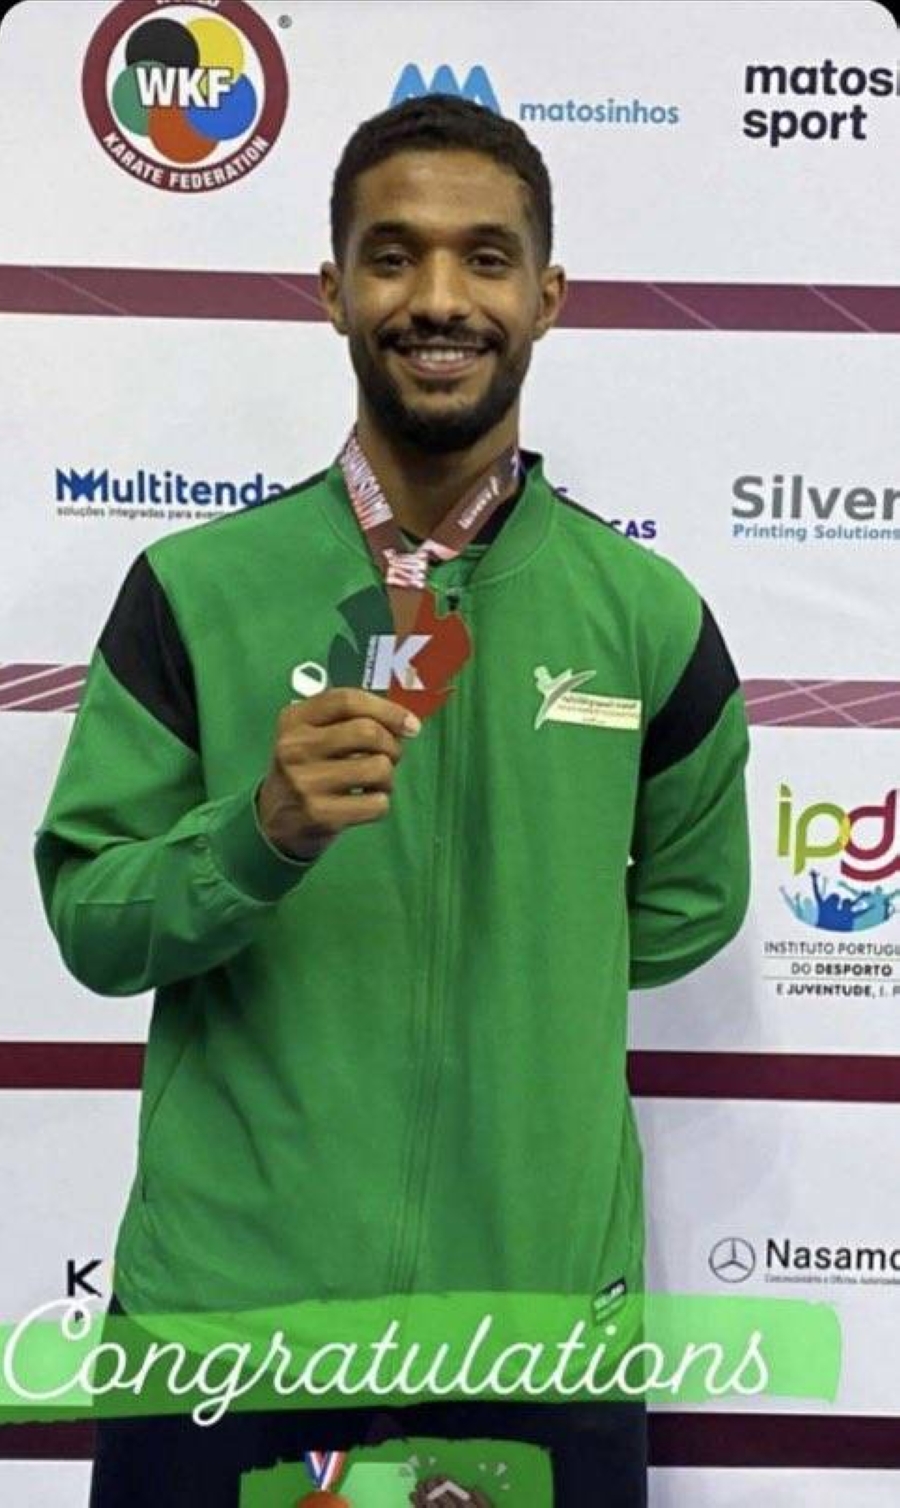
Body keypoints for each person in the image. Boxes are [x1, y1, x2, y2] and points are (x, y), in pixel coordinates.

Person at [34, 94, 751, 1507]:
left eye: (485, 258)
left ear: (547, 298)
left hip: (533, 1336)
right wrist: (257, 838)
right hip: (226, 1334)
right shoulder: (195, 589)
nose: (438, 298)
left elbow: (689, 907)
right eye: (392, 255)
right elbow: (95, 924)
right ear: (333, 291)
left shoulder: (648, 616)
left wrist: (532, 973)